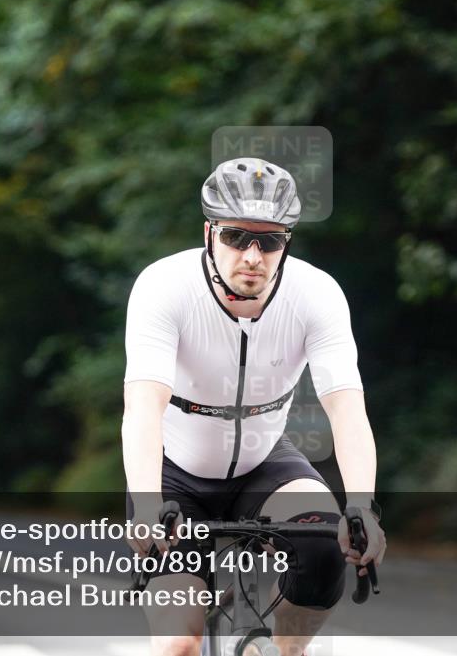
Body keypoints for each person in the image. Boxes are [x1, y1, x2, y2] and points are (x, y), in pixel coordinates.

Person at [122, 157, 386, 656]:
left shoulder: (317, 294)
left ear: (287, 242)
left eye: (270, 241)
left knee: (324, 545)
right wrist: (147, 504)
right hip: (174, 472)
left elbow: (347, 408)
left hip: (266, 461)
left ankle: (285, 652)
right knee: (178, 642)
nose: (252, 255)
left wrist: (362, 507)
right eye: (236, 236)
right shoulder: (164, 287)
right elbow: (142, 406)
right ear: (208, 233)